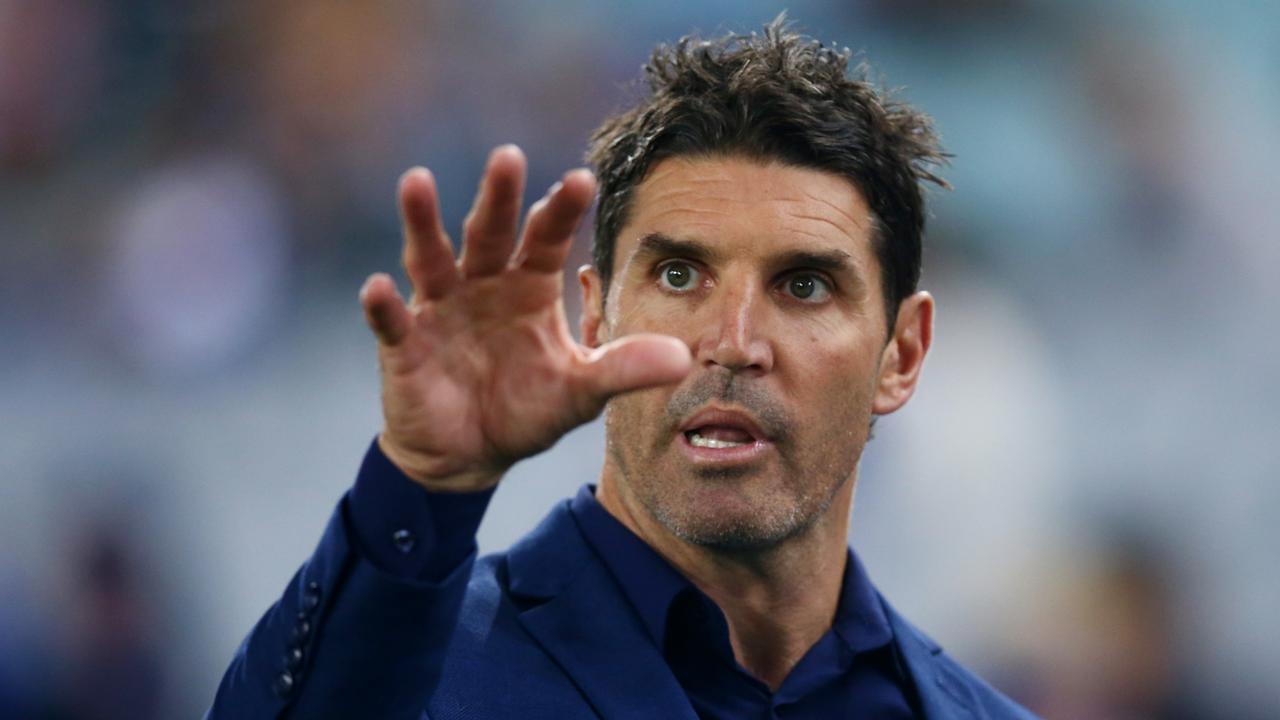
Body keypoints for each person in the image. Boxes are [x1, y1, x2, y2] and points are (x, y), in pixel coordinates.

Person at [208, 18, 1036, 720]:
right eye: (679, 275)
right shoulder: (419, 678)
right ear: (595, 316)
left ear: (904, 354)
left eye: (804, 285)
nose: (733, 340)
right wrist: (422, 483)